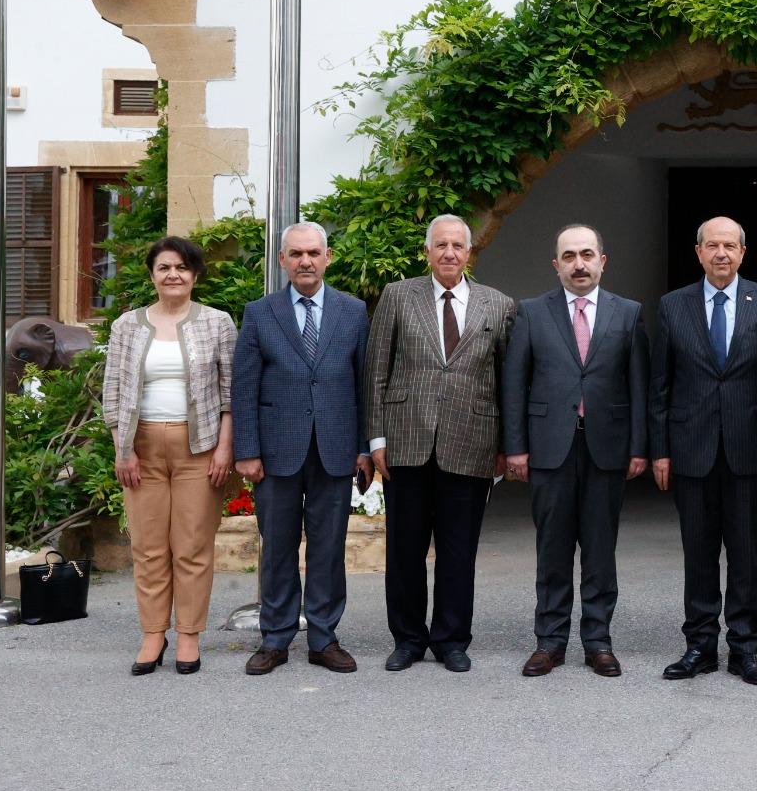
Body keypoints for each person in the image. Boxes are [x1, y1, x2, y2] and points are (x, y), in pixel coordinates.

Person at [363, 214, 516, 673]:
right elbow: (376, 370)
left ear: (470, 253)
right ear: (427, 251)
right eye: (441, 245)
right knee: (404, 551)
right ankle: (407, 640)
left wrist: (505, 445)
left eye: (457, 246)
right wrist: (376, 437)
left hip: (472, 441)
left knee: (458, 551)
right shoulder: (398, 296)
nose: (449, 253)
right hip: (405, 441)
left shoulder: (499, 305)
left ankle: (451, 640)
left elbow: (508, 380)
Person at [650, 216, 757, 686]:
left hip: (750, 447)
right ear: (698, 252)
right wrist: (660, 450)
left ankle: (745, 648)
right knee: (698, 552)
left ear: (742, 253)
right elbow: (660, 384)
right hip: (690, 448)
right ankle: (699, 646)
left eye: (730, 246)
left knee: (745, 553)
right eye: (712, 246)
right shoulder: (673, 305)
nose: (721, 254)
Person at [502, 224, 650, 678]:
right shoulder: (531, 312)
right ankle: (549, 642)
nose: (579, 264)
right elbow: (515, 384)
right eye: (569, 256)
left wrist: (639, 446)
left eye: (587, 254)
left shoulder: (629, 313)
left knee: (601, 550)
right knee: (553, 549)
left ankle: (598, 641)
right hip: (550, 447)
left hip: (607, 447)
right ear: (556, 265)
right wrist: (515, 447)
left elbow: (639, 385)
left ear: (602, 261)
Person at [231, 222, 371, 676]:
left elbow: (364, 386)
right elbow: (244, 387)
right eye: (296, 254)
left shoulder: (353, 311)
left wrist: (364, 448)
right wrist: (247, 450)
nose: (305, 261)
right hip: (276, 451)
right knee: (277, 548)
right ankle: (275, 639)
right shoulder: (260, 312)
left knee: (328, 549)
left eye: (313, 253)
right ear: (282, 260)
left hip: (335, 448)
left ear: (327, 257)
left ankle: (324, 638)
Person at [102, 235, 236, 675]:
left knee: (192, 546)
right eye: (164, 267)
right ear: (152, 275)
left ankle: (189, 635)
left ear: (194, 275)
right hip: (140, 449)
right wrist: (122, 450)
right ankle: (152, 633)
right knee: (148, 547)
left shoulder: (217, 323)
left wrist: (224, 448)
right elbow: (112, 391)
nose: (173, 274)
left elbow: (231, 393)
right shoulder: (127, 325)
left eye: (181, 267)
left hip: (198, 447)